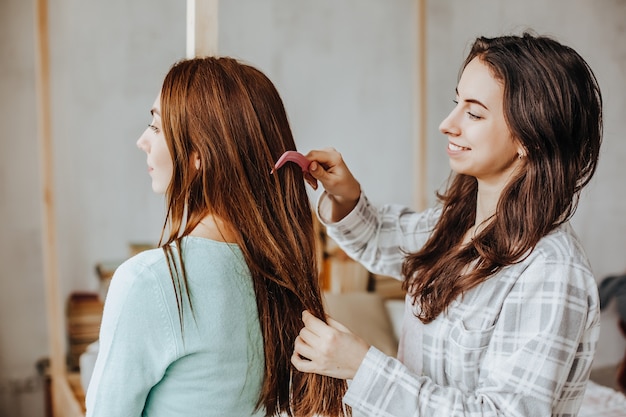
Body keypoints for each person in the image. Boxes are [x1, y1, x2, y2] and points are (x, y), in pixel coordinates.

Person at [292, 32, 603, 416]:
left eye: (473, 113)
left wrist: (363, 368)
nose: (446, 124)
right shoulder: (457, 222)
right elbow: (385, 241)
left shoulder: (552, 270)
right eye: (457, 103)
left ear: (530, 137)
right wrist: (345, 196)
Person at [85, 56, 348, 417]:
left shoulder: (148, 281)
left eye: (156, 127)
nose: (142, 140)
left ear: (198, 156)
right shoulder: (281, 271)